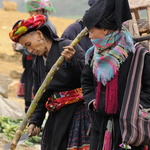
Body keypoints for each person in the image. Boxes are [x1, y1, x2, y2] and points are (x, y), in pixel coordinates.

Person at [9, 15, 91, 150]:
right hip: (56, 115)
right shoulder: (38, 62)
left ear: (39, 35)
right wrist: (35, 121)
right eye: (26, 47)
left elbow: (87, 78)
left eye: (28, 45)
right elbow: (40, 94)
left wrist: (71, 62)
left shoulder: (67, 47)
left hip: (77, 113)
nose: (30, 51)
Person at [81, 0, 150, 150]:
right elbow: (86, 82)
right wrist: (93, 100)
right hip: (100, 126)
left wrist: (137, 108)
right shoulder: (93, 55)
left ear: (105, 30)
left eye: (92, 31)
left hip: (129, 128)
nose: (90, 36)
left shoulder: (137, 55)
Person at [12, 0, 57, 113]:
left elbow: (38, 47)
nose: (31, 16)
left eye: (32, 12)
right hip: (31, 66)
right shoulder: (35, 25)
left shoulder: (45, 26)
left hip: (38, 65)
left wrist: (20, 48)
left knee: (36, 95)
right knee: (30, 95)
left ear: (39, 10)